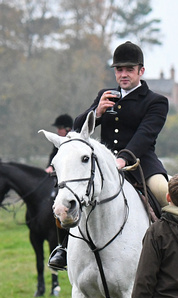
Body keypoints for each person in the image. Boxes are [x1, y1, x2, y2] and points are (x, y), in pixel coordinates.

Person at [49, 41, 169, 270]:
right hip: (101, 166)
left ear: (141, 71)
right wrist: (97, 111)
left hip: (141, 164)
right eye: (119, 70)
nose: (123, 74)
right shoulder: (105, 95)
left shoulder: (156, 101)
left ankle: (172, 248)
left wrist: (123, 158)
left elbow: (145, 134)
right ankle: (64, 248)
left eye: (129, 69)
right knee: (67, 194)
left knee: (164, 192)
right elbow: (77, 129)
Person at [46, 114, 73, 271]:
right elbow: (52, 158)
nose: (58, 131)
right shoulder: (58, 143)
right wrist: (49, 167)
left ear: (67, 129)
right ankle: (62, 246)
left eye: (60, 128)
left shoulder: (73, 142)